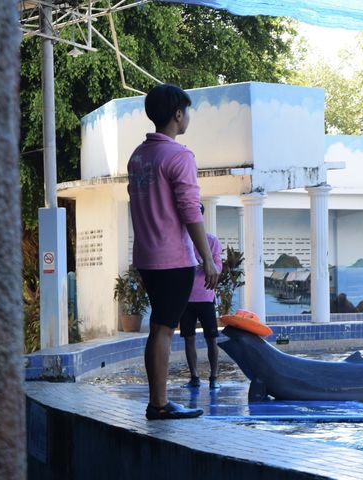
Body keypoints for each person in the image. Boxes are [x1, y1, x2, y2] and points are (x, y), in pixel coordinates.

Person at [127, 84, 219, 420]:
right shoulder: (179, 156)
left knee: (158, 326)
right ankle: (159, 404)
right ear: (178, 114)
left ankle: (157, 401)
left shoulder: (139, 156)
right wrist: (206, 258)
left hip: (147, 257)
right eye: (186, 111)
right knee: (164, 328)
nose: (187, 116)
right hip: (173, 259)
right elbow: (190, 210)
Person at [180, 204, 223, 390]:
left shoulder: (211, 240)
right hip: (185, 298)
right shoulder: (181, 240)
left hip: (205, 296)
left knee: (211, 338)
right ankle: (195, 376)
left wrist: (206, 266)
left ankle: (214, 377)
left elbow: (218, 266)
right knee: (188, 338)